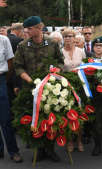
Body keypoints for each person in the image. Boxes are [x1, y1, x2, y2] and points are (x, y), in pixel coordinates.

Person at [14, 16, 63, 162]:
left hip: (50, 87)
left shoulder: (52, 43)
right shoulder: (23, 46)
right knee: (35, 118)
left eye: (29, 28)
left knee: (50, 117)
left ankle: (51, 149)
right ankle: (40, 149)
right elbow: (18, 66)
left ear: (39, 28)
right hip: (31, 88)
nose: (26, 31)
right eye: (26, 28)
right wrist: (30, 80)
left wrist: (55, 74)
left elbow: (60, 61)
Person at [61, 28, 86, 152]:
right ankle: (70, 141)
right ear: (63, 38)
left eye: (70, 36)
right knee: (68, 113)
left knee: (79, 113)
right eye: (65, 36)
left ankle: (79, 140)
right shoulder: (60, 52)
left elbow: (86, 67)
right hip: (66, 86)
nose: (68, 38)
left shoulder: (81, 51)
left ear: (74, 38)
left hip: (80, 85)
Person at [0, 34, 23, 163]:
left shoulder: (4, 40)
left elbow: (10, 63)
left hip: (1, 80)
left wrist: (4, 80)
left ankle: (14, 151)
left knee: (5, 118)